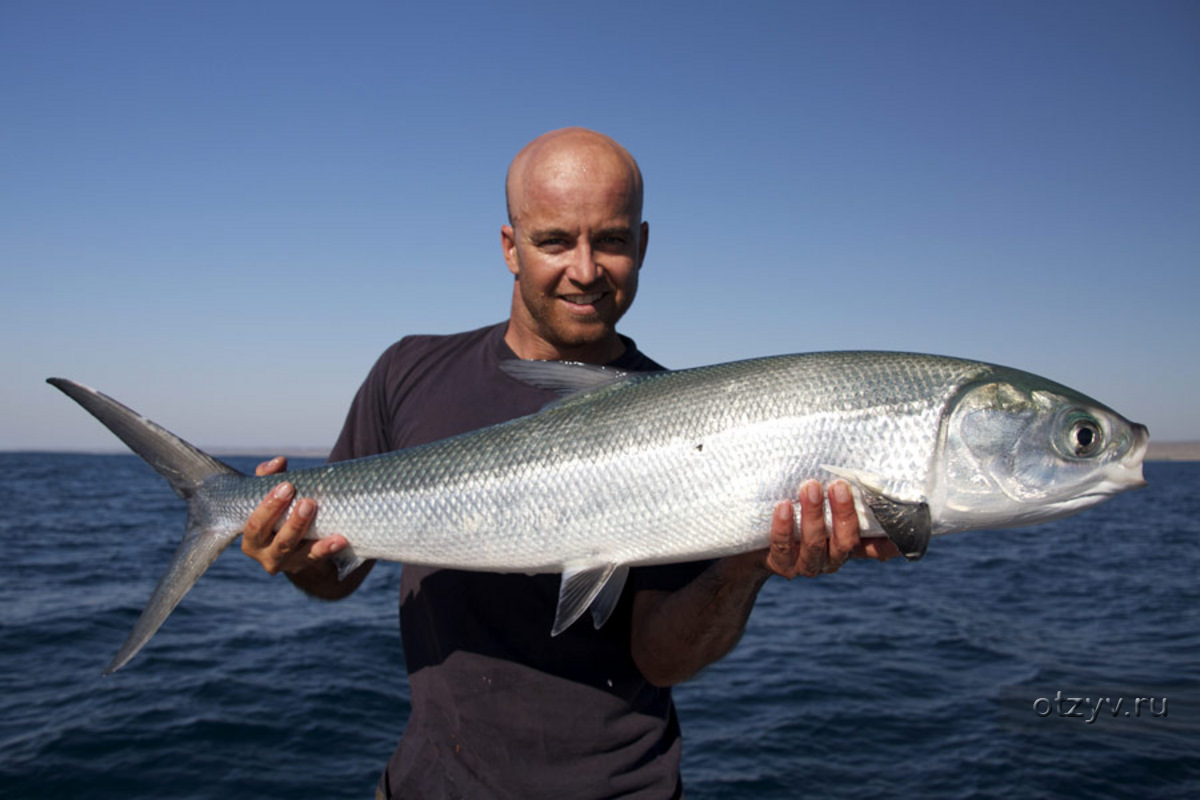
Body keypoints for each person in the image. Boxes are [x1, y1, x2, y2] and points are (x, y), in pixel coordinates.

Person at [240, 127, 900, 798]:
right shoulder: (408, 372)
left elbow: (661, 657)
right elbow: (336, 577)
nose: (584, 270)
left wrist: (750, 562)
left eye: (611, 241)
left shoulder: (698, 426)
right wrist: (296, 555)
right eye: (555, 241)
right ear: (510, 248)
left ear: (641, 245)